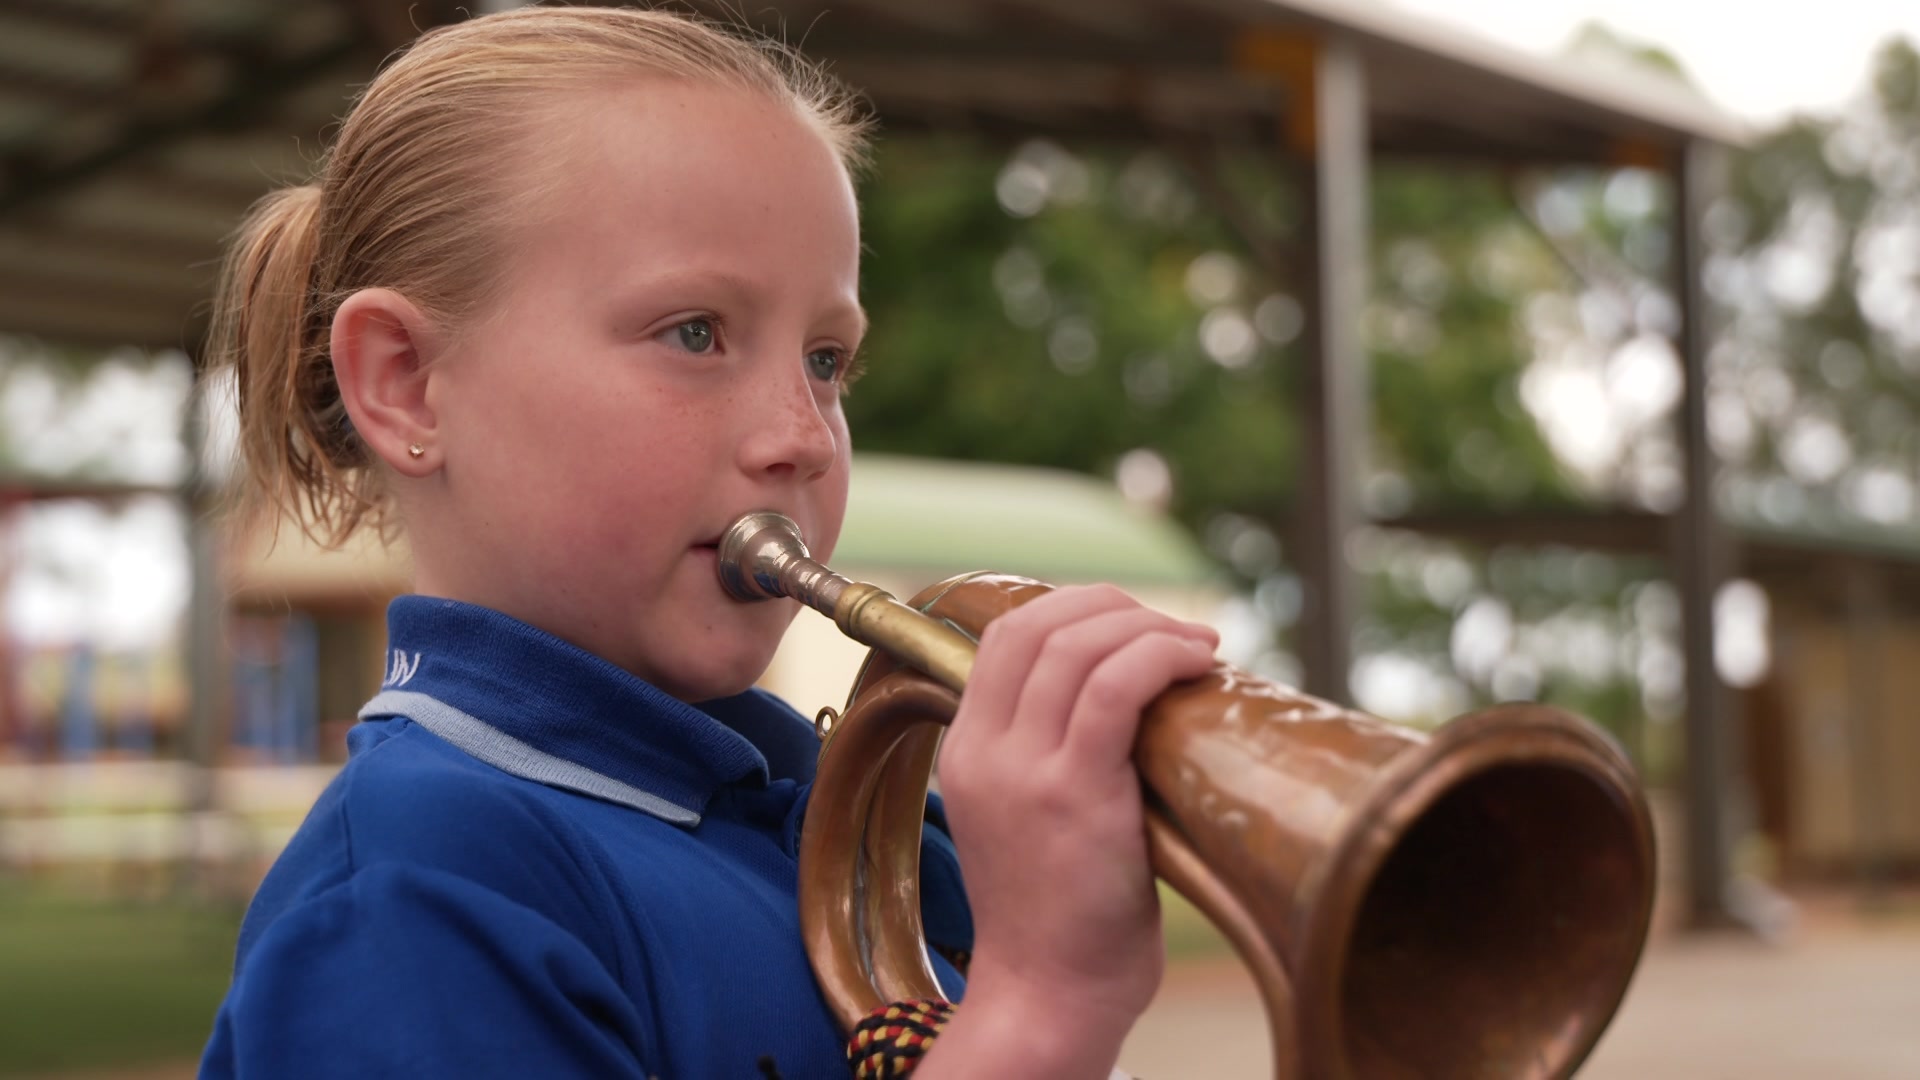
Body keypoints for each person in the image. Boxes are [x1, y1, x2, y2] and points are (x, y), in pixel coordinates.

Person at [199, 7, 1219, 1078]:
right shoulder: (412, 896)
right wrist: (1042, 1009)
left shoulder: (863, 833)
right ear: (405, 385)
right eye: (695, 334)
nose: (801, 436)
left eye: (828, 359)